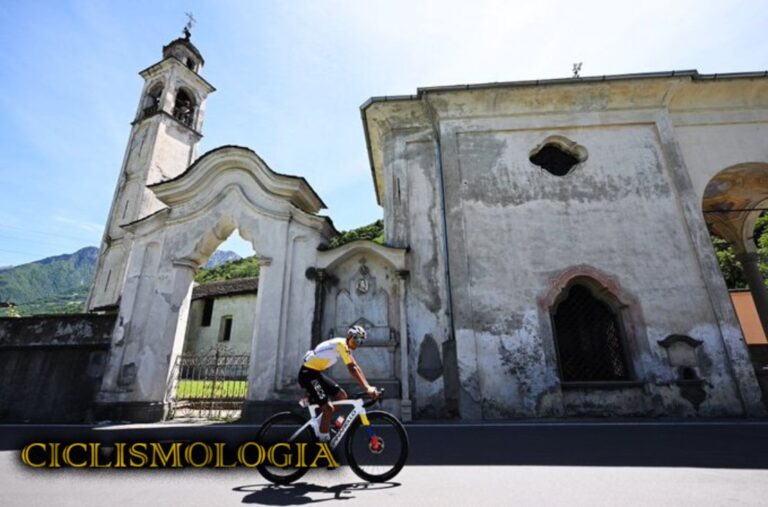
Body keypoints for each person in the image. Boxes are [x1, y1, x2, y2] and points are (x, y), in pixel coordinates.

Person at [298, 325, 378, 442]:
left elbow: (356, 367)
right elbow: (352, 368)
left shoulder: (345, 347)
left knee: (342, 396)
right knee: (328, 409)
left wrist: (368, 386)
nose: (357, 343)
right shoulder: (341, 344)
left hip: (315, 374)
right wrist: (366, 388)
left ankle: (322, 421)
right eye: (356, 339)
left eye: (360, 341)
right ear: (349, 336)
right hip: (308, 375)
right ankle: (323, 443)